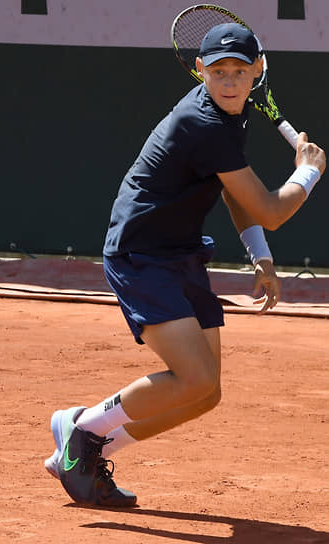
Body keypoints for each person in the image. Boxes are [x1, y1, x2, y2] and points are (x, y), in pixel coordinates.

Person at [44, 23, 326, 507]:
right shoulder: (205, 124)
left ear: (258, 70)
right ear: (200, 71)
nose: (231, 80)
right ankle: (81, 429)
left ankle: (84, 453)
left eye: (240, 70)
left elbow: (239, 195)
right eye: (219, 71)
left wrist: (261, 256)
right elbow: (272, 210)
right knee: (193, 378)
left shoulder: (228, 117)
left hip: (181, 252)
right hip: (141, 254)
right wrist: (310, 170)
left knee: (205, 393)